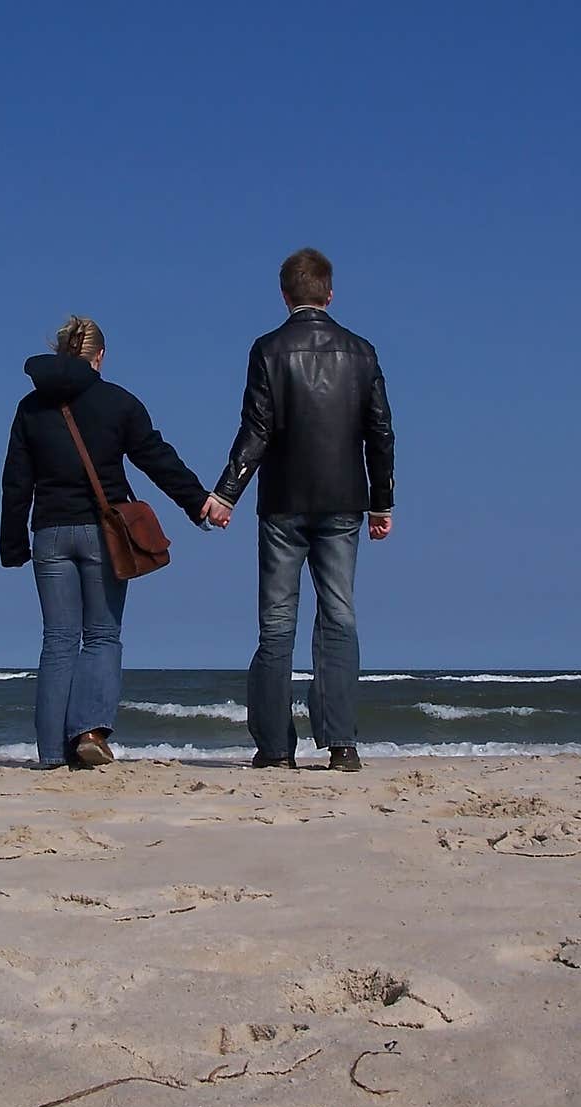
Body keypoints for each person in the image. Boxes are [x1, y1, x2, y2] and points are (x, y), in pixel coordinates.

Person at [201, 248, 395, 772]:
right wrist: (382, 501)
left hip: (283, 503)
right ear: (328, 294)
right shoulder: (362, 351)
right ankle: (342, 744)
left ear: (285, 295)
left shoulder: (268, 349)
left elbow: (256, 430)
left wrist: (225, 494)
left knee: (276, 624)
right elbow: (380, 433)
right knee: (339, 616)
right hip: (343, 501)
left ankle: (275, 748)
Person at [0, 316, 210, 769]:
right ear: (99, 356)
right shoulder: (119, 403)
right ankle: (89, 732)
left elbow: (16, 482)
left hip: (50, 534)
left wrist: (12, 544)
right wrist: (198, 503)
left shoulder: (30, 407)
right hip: (102, 532)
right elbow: (157, 458)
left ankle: (52, 754)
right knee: (101, 635)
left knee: (57, 640)